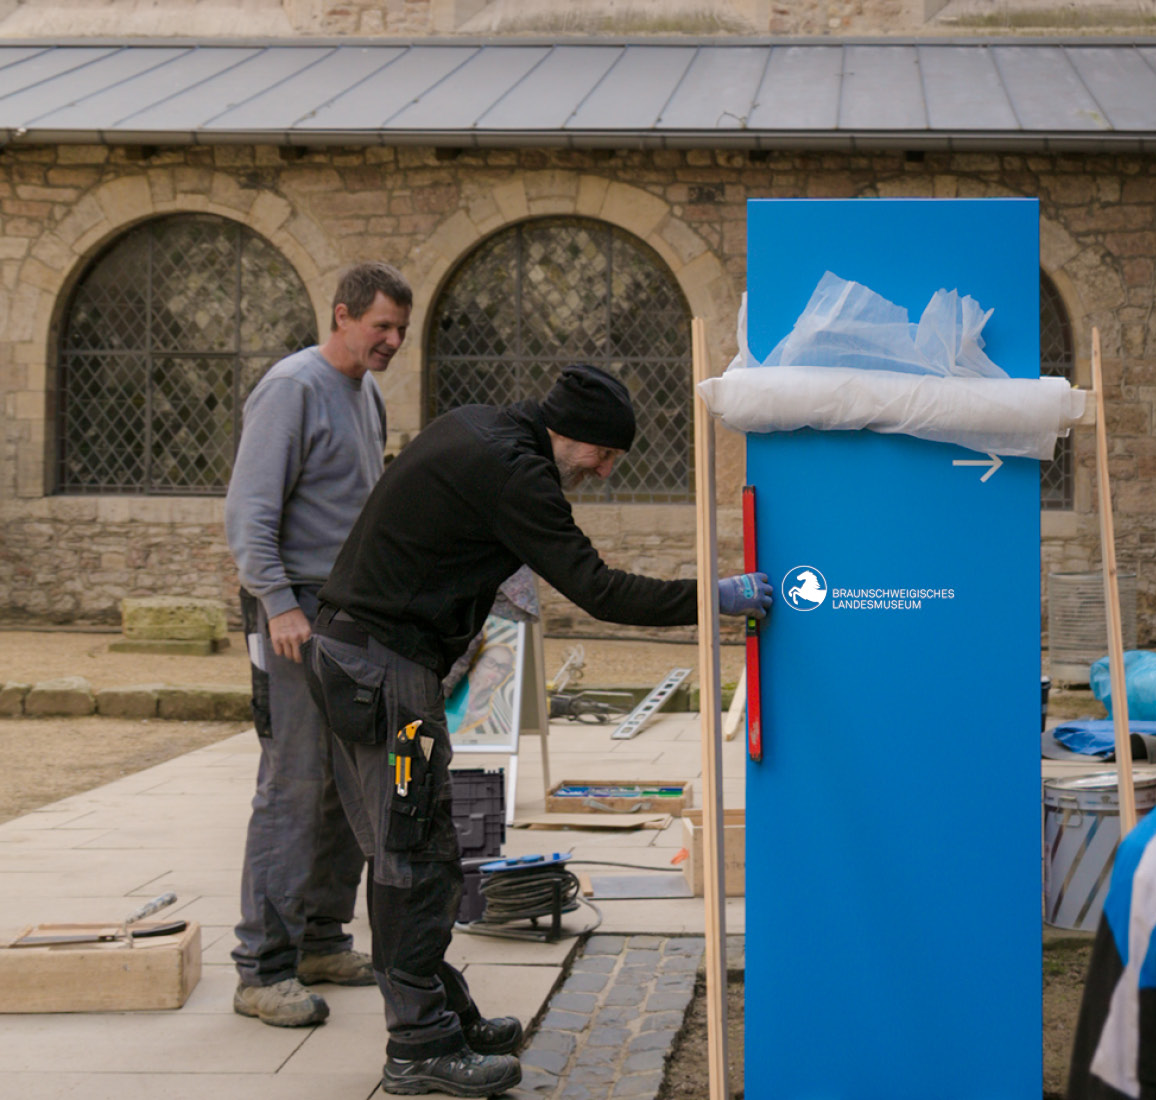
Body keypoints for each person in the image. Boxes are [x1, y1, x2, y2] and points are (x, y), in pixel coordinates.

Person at [307, 363, 774, 1097]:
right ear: (569, 433)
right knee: (414, 857)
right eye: (603, 454)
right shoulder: (515, 473)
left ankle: (442, 1013)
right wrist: (712, 596)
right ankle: (418, 1046)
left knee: (413, 848)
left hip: (360, 657)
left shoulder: (478, 426)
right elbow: (599, 590)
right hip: (383, 673)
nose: (605, 470)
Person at [223, 262, 412, 1027]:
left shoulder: (365, 393)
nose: (392, 340)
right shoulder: (292, 388)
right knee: (294, 784)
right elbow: (249, 510)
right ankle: (261, 969)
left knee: (343, 783)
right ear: (342, 315)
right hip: (292, 613)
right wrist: (276, 604)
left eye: (401, 330)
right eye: (381, 326)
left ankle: (320, 940)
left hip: (343, 613)